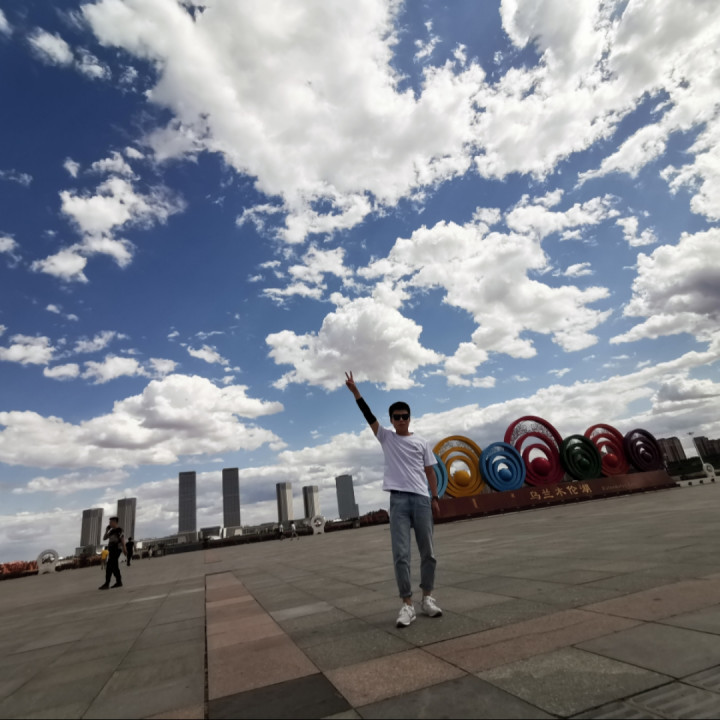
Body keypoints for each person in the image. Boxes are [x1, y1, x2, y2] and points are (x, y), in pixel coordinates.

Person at [345, 370, 442, 628]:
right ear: (391, 419)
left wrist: (435, 497)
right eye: (396, 417)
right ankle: (407, 604)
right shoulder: (386, 437)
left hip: (421, 499)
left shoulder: (422, 442)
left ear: (410, 418)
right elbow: (368, 415)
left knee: (429, 553)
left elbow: (430, 471)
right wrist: (356, 392)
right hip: (398, 502)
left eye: (404, 416)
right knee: (401, 554)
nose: (400, 420)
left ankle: (427, 598)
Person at [99, 516, 126, 590]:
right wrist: (107, 530)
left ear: (115, 522)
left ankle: (107, 583)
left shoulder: (119, 530)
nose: (109, 523)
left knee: (110, 566)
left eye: (111, 522)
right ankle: (118, 582)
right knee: (114, 566)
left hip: (116, 549)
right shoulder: (111, 531)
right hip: (111, 550)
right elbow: (104, 538)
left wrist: (124, 548)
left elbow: (122, 539)